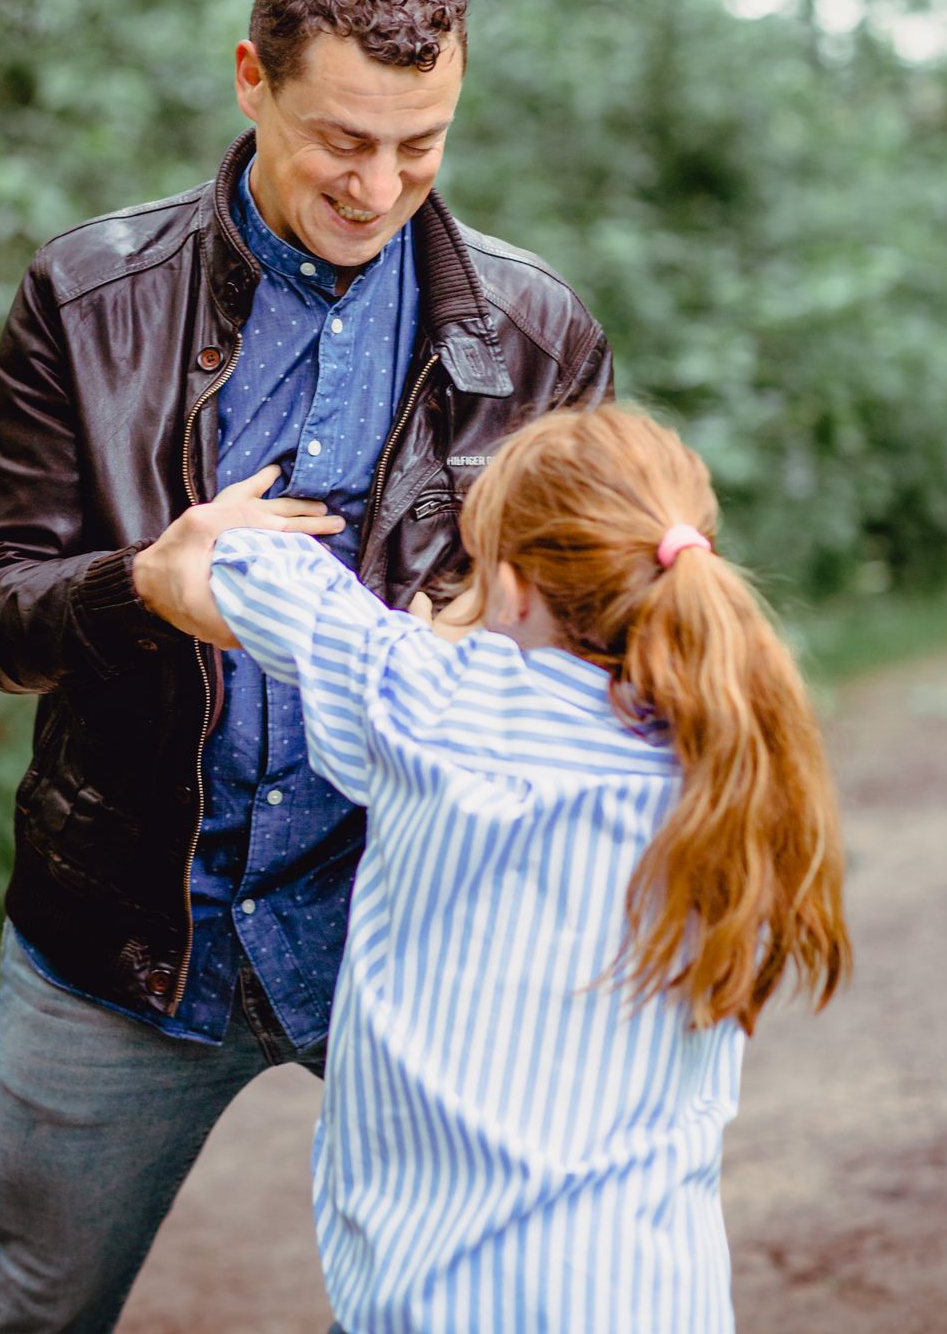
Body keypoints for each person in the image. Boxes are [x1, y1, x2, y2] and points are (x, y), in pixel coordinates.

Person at [0, 0, 612, 1331]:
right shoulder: (84, 298)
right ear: (251, 78)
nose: (379, 188)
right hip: (120, 937)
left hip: (413, 932)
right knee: (35, 1310)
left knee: (471, 1311)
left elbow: (606, 642)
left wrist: (500, 633)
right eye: (341, 140)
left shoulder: (543, 333)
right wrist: (142, 590)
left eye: (422, 144)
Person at [159, 403, 851, 1334]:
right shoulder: (734, 759)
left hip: (443, 1302)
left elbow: (241, 559)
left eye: (480, 568)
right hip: (654, 1297)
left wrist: (446, 636)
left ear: (516, 590)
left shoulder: (430, 699)